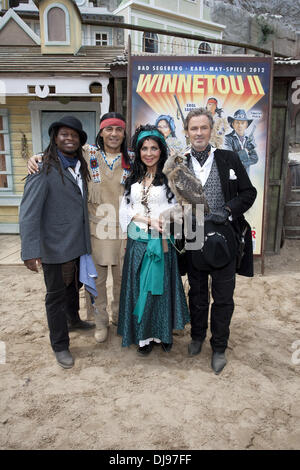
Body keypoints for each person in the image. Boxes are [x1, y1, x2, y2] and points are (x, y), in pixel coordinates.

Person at [27, 112, 132, 344]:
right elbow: (56, 153)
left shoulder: (133, 158)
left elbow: (161, 159)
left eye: (118, 130)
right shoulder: (87, 153)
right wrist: (35, 158)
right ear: (101, 132)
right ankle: (100, 321)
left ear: (124, 134)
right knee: (97, 281)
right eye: (109, 129)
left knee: (123, 280)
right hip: (95, 233)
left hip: (125, 232)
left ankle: (120, 318)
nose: (114, 134)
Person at [183, 108, 257, 374]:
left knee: (223, 297)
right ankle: (197, 337)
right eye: (194, 128)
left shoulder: (229, 158)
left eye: (204, 128)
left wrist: (227, 210)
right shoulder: (179, 163)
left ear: (212, 130)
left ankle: (219, 347)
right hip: (193, 236)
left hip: (224, 237)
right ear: (187, 132)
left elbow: (249, 193)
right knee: (198, 293)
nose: (199, 133)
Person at [19, 116, 94, 369]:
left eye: (74, 135)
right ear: (55, 137)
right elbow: (28, 212)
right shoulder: (42, 167)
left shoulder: (81, 165)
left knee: (74, 286)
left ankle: (73, 320)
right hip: (54, 245)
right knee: (55, 296)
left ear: (80, 141)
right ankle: (60, 345)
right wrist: (30, 250)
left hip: (77, 242)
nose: (69, 138)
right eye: (64, 134)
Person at [117, 125, 190, 355]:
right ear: (138, 152)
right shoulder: (132, 179)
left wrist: (165, 223)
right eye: (144, 148)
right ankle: (144, 338)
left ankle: (163, 334)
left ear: (162, 151)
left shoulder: (171, 178)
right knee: (141, 290)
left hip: (162, 242)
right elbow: (124, 211)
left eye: (154, 148)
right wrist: (146, 220)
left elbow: (181, 210)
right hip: (138, 243)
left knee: (160, 290)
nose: (149, 153)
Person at [224, 109, 258, 174]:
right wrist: (247, 149)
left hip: (245, 175)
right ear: (233, 124)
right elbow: (230, 159)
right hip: (231, 176)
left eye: (242, 123)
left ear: (246, 125)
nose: (240, 125)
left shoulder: (248, 139)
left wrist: (243, 163)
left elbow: (254, 158)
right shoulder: (227, 138)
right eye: (237, 122)